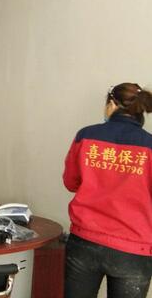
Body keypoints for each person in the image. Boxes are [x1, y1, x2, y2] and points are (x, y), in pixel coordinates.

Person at [63, 83, 152, 298]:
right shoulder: (149, 145)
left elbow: (70, 182)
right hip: (134, 248)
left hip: (84, 242)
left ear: (111, 104)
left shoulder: (86, 136)